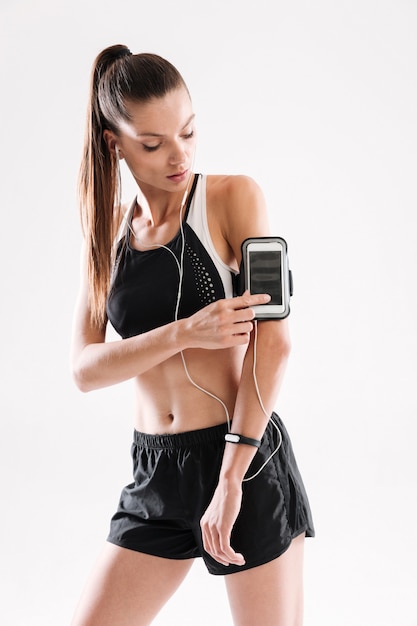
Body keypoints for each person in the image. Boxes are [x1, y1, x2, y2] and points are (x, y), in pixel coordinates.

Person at [71, 43, 314, 626]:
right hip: (155, 471)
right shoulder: (107, 231)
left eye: (187, 133)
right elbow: (84, 368)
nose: (177, 155)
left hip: (241, 458)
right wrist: (185, 332)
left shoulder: (234, 198)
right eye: (152, 144)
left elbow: (275, 343)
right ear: (115, 143)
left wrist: (232, 476)